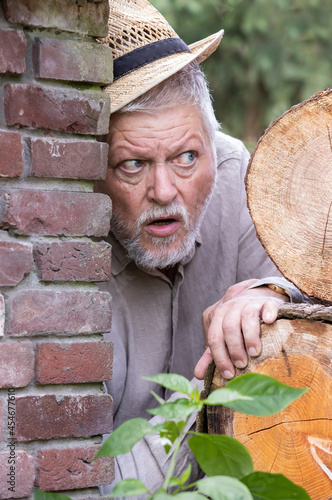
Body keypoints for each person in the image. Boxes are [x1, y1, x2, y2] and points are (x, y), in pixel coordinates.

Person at [96, 0, 306, 494]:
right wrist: (199, 403)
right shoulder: (54, 252)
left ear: (214, 144)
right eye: (133, 164)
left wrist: (270, 294)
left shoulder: (238, 174)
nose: (165, 191)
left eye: (187, 156)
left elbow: (309, 290)